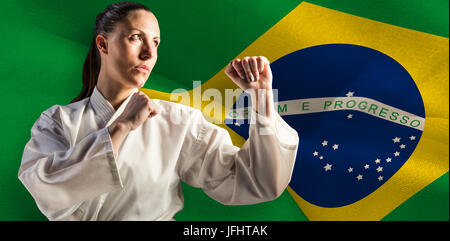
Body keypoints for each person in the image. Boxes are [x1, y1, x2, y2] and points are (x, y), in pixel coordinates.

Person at [18, 1, 299, 221]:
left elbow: (257, 181)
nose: (148, 54)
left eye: (155, 43)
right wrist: (121, 127)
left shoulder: (177, 121)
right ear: (103, 44)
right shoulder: (56, 121)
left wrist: (261, 97)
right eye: (136, 38)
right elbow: (45, 188)